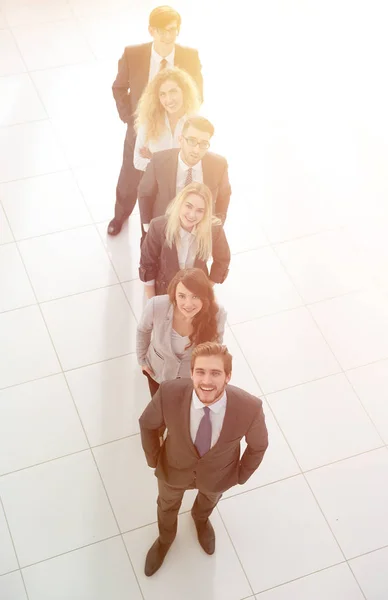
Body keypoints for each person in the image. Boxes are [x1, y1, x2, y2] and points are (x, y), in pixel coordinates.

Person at [139, 342, 269, 576]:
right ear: (191, 373)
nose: (206, 381)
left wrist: (240, 475)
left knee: (209, 500)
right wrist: (154, 459)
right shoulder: (169, 393)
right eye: (200, 372)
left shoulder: (250, 407)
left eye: (215, 373)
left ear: (228, 376)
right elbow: (148, 424)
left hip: (218, 476)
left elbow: (258, 445)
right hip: (173, 469)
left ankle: (200, 519)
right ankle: (166, 538)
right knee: (166, 506)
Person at [109, 5, 203, 236]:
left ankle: (161, 222)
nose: (168, 36)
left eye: (173, 30)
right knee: (131, 173)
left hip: (174, 128)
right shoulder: (133, 54)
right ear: (151, 30)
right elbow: (119, 87)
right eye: (162, 30)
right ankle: (121, 214)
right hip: (142, 126)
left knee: (169, 176)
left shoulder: (189, 57)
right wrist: (130, 120)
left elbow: (198, 93)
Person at [137, 268, 227, 397]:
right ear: (174, 295)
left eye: (195, 296)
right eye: (182, 296)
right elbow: (143, 330)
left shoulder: (217, 313)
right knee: (158, 406)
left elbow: (215, 346)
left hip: (190, 379)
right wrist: (142, 361)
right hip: (158, 372)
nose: (188, 304)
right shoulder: (157, 305)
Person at [138, 116, 231, 232]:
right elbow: (145, 193)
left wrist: (217, 223)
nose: (196, 150)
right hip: (165, 224)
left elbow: (224, 195)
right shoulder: (159, 161)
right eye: (191, 141)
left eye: (203, 144)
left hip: (200, 228)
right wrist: (147, 227)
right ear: (180, 140)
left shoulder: (219, 165)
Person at [139, 182, 230, 299]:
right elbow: (147, 264)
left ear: (206, 213)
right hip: (165, 289)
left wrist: (207, 287)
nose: (192, 215)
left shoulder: (214, 229)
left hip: (196, 291)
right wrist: (152, 301)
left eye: (200, 211)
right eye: (188, 206)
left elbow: (223, 260)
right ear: (180, 203)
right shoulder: (158, 226)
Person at [133, 67, 201, 172]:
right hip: (157, 187)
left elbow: (201, 162)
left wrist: (154, 160)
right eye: (162, 94)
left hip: (187, 185)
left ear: (184, 92)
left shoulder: (196, 123)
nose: (168, 100)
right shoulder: (149, 122)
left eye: (173, 92)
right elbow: (138, 160)